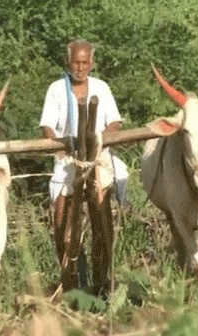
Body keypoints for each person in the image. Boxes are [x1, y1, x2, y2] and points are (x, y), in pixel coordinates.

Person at [38, 39, 129, 295]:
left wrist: (99, 142)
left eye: (85, 62)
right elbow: (47, 126)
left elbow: (114, 122)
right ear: (68, 63)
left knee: (116, 178)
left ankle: (108, 265)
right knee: (59, 197)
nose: (80, 68)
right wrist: (59, 147)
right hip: (69, 157)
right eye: (76, 62)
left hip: (98, 154)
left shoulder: (101, 87)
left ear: (92, 63)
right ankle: (68, 272)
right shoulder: (57, 89)